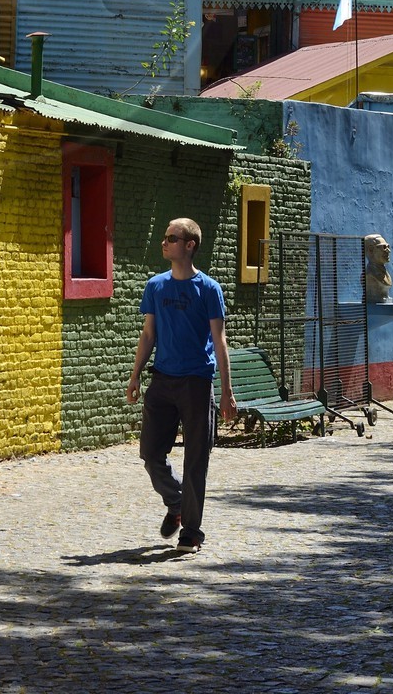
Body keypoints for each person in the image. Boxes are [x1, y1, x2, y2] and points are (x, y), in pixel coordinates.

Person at [125, 217, 236, 552]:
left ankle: (191, 530)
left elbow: (220, 342)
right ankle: (175, 502)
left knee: (196, 459)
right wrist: (134, 375)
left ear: (189, 245)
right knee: (149, 453)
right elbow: (148, 334)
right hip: (162, 379)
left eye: (171, 238)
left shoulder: (209, 289)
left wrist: (227, 392)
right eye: (164, 237)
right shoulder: (156, 286)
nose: (164, 242)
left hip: (197, 382)